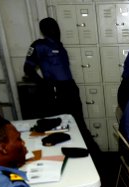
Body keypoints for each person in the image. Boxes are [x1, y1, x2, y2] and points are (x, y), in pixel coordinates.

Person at [23, 17, 101, 164]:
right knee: (59, 126)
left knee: (78, 124)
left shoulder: (59, 45)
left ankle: (92, 158)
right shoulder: (39, 45)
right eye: (51, 27)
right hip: (55, 90)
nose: (55, 30)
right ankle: (65, 159)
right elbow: (28, 68)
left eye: (56, 27)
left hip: (69, 88)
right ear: (44, 30)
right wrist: (43, 84)